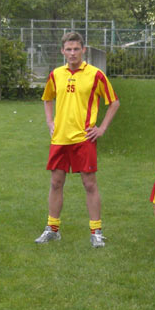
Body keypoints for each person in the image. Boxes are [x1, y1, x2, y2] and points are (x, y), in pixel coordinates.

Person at [34, 31, 120, 248]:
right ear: (62, 51)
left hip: (84, 138)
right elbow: (47, 98)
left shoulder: (96, 75)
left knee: (89, 183)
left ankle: (96, 232)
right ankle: (52, 229)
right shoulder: (56, 74)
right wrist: (49, 121)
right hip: (60, 138)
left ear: (83, 50)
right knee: (56, 182)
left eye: (76, 49)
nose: (72, 53)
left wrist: (102, 128)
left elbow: (114, 102)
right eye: (68, 49)